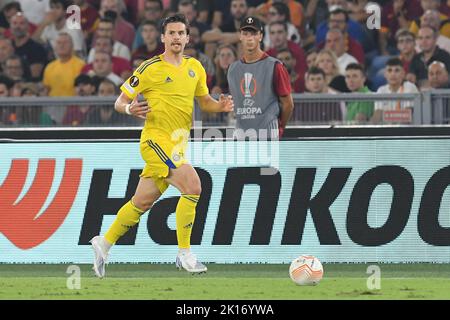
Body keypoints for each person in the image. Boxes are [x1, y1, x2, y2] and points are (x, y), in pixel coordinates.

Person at [90, 14, 234, 278]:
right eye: (172, 33)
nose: (177, 37)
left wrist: (220, 105)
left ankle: (104, 243)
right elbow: (119, 101)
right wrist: (129, 108)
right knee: (193, 186)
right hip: (155, 142)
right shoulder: (149, 68)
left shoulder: (196, 68)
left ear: (188, 38)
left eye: (181, 33)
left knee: (140, 203)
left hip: (178, 146)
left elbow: (205, 103)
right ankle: (184, 254)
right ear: (163, 37)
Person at [228, 16, 293, 139]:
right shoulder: (232, 69)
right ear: (240, 36)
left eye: (254, 33)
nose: (250, 38)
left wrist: (279, 128)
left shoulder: (275, 66)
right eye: (245, 33)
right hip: (241, 135)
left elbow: (288, 104)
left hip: (268, 135)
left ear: (261, 36)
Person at [371, 57, 419, 124]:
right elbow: (377, 116)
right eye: (389, 70)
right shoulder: (381, 90)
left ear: (403, 74)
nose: (393, 74)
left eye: (397, 70)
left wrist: (387, 116)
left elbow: (406, 117)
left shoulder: (409, 87)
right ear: (385, 74)